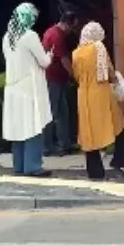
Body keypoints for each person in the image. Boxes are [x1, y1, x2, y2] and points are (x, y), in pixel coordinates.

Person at [73, 21, 124, 180]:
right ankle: (118, 160)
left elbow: (76, 75)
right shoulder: (99, 47)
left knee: (89, 133)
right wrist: (117, 80)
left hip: (84, 95)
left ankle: (95, 172)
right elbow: (109, 71)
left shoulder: (76, 53)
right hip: (101, 93)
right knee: (120, 126)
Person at [1, 3, 53, 177]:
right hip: (29, 88)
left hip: (12, 88)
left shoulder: (7, 37)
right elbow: (44, 62)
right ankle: (33, 165)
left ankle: (20, 165)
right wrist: (50, 56)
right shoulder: (30, 36)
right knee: (33, 126)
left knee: (18, 128)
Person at [41, 10, 78, 156]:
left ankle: (64, 143)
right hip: (53, 78)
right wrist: (74, 75)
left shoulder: (50, 32)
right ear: (67, 24)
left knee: (62, 112)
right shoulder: (57, 36)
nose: (73, 30)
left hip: (56, 78)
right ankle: (48, 146)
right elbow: (64, 60)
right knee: (53, 112)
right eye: (73, 26)